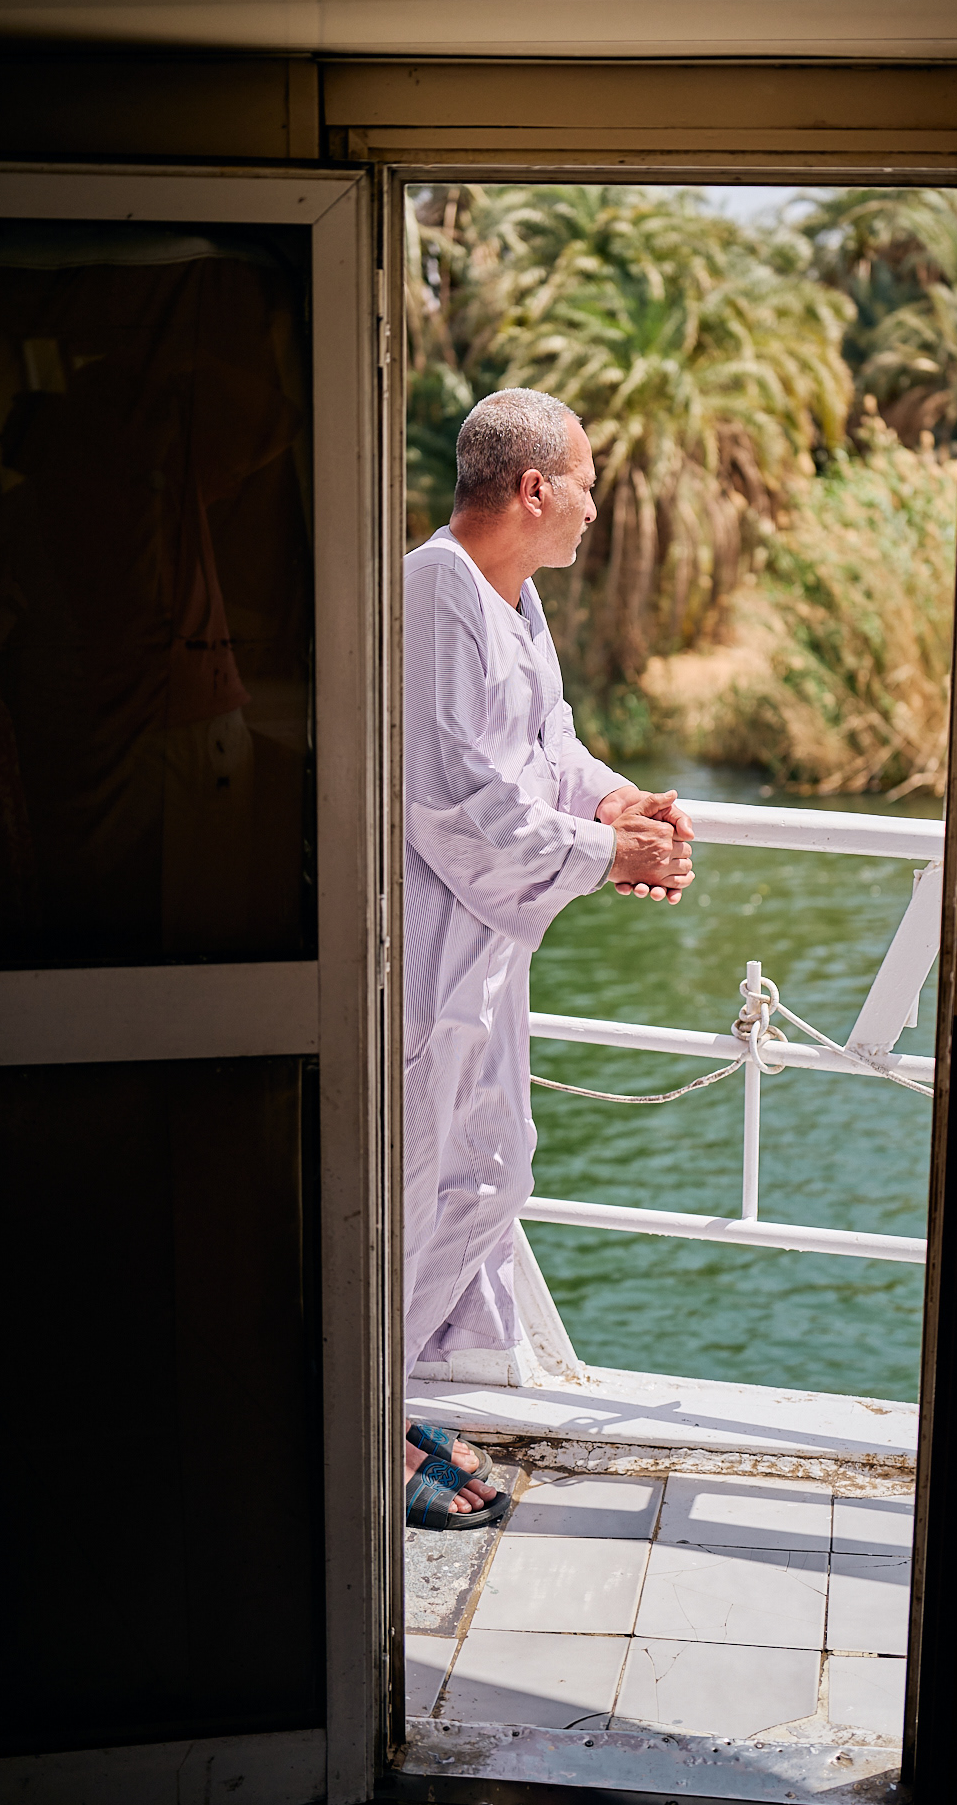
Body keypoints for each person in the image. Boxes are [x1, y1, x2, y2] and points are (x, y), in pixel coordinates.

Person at [402, 387, 694, 1528]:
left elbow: (546, 748)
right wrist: (607, 854)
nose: (592, 506)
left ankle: (385, 1390)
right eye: (585, 484)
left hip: (486, 947)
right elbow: (456, 797)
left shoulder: (512, 599)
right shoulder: (436, 592)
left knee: (491, 1171)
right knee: (410, 1180)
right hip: (423, 952)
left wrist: (617, 803)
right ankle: (365, 1420)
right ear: (533, 488)